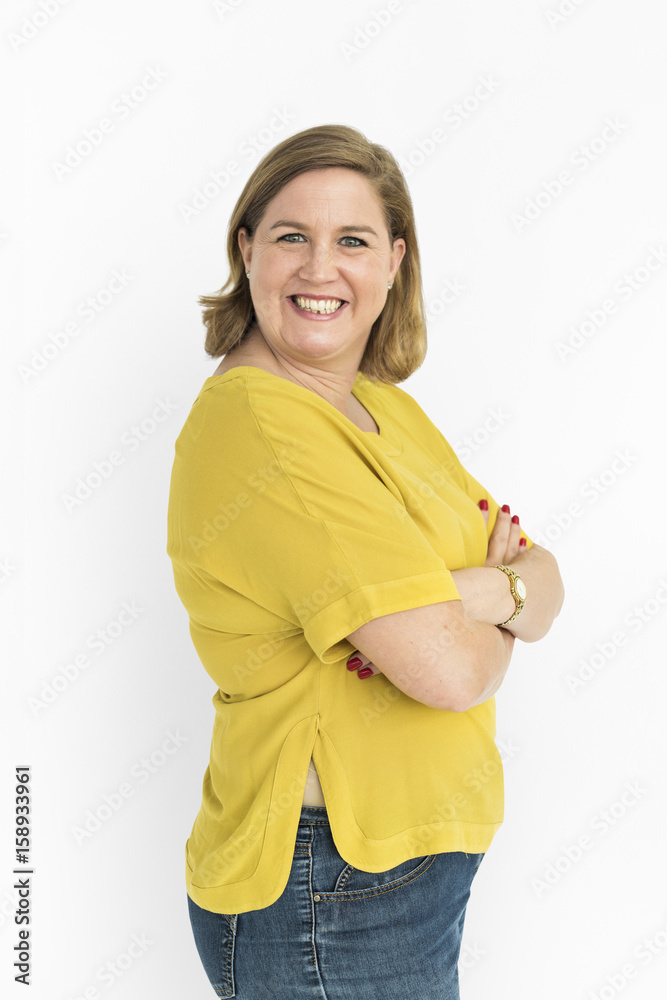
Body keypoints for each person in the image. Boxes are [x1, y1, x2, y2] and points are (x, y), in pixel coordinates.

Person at [166, 123, 564, 999]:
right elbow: (452, 671)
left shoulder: (388, 411)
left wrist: (463, 592)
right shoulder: (261, 425)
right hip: (330, 887)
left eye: (350, 240)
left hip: (410, 870)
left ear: (392, 261)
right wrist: (493, 602)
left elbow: (544, 578)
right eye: (290, 237)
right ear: (247, 251)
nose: (319, 269)